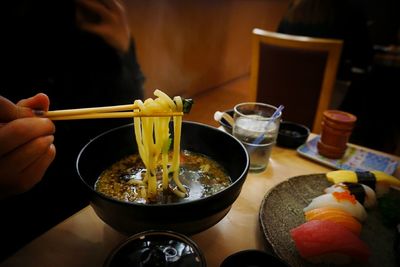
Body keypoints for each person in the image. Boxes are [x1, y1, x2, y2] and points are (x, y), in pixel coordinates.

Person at [0, 0, 144, 260]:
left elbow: (135, 113)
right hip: (33, 226)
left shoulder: (102, 13)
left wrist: (124, 54)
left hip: (106, 212)